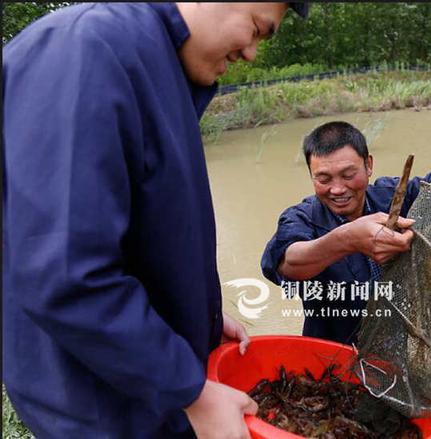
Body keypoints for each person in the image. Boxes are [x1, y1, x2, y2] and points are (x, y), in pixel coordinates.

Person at [3, 3, 308, 438]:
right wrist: (190, 391)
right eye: (257, 30)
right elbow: (66, 273)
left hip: (143, 395)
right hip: (99, 410)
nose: (252, 54)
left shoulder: (163, 69)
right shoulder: (88, 49)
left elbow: (136, 231)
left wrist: (191, 311)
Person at [261, 91, 431, 349]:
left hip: (401, 341)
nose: (337, 189)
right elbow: (285, 263)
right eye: (323, 179)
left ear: (368, 165)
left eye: (348, 175)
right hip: (337, 350)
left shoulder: (394, 195)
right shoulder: (301, 217)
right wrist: (349, 239)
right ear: (311, 176)